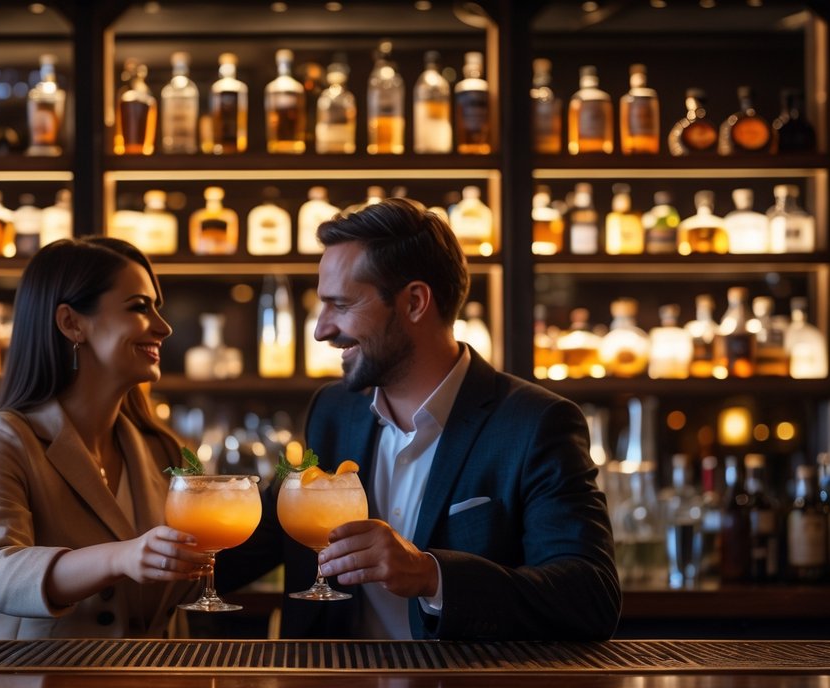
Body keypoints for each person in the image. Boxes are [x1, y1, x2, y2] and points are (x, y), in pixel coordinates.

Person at [220, 198, 621, 640]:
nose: (321, 329)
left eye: (341, 305)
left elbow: (590, 596)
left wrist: (431, 575)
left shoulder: (536, 423)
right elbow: (267, 536)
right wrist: (141, 555)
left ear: (414, 302)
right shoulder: (333, 411)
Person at [0, 237, 210, 639]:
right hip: (28, 687)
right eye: (138, 307)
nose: (163, 328)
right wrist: (121, 557)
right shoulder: (6, 439)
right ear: (72, 323)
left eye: (157, 309)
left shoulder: (163, 449)